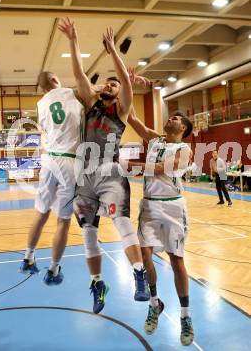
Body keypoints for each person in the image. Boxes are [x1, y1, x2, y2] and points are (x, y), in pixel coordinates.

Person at [59, 18, 149, 314]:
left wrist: (112, 50)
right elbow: (78, 73)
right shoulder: (89, 104)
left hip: (110, 174)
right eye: (108, 82)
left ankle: (139, 274)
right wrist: (73, 41)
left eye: (115, 83)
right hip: (84, 177)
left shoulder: (122, 110)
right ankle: (97, 284)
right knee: (87, 234)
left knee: (121, 224)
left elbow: (125, 80)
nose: (111, 84)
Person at [127, 102, 194, 346]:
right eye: (172, 115)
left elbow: (159, 168)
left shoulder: (184, 148)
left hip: (173, 208)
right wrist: (127, 83)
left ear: (183, 128)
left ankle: (185, 316)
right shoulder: (156, 140)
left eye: (177, 117)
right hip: (149, 205)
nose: (172, 118)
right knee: (145, 256)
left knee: (177, 262)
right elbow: (132, 118)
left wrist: (128, 166)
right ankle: (155, 304)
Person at [19, 71, 84, 286]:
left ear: (41, 87)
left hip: (48, 160)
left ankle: (28, 257)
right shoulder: (71, 93)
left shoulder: (40, 104)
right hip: (69, 160)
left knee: (41, 213)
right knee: (63, 221)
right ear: (56, 79)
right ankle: (54, 270)